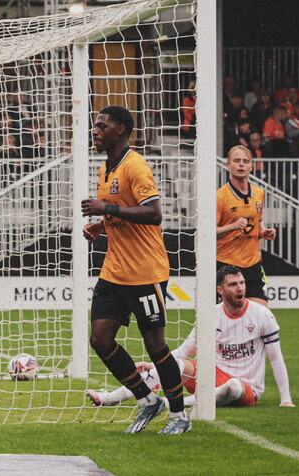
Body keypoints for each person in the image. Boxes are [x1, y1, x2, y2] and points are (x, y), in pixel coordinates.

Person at [80, 105, 190, 434]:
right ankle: (147, 400)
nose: (96, 130)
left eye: (102, 125)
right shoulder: (105, 169)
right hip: (114, 271)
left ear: (121, 130)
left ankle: (179, 415)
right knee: (100, 339)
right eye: (95, 125)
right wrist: (102, 223)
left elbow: (154, 213)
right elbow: (120, 210)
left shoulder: (136, 166)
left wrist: (106, 208)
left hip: (145, 272)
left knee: (155, 345)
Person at [87, 266, 294, 409]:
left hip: (247, 387)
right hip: (214, 374)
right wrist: (153, 365)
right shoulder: (210, 315)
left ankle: (167, 404)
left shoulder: (262, 314)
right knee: (176, 364)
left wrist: (286, 399)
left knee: (232, 387)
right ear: (220, 290)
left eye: (242, 283)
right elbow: (185, 351)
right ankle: (111, 398)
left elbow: (276, 358)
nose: (240, 288)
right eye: (233, 284)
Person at [216, 145, 276, 307]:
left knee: (261, 313)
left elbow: (258, 220)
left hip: (252, 265)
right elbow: (209, 233)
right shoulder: (220, 196)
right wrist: (232, 226)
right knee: (230, 316)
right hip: (226, 264)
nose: (241, 164)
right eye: (236, 161)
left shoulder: (259, 193)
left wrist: (264, 231)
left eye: (245, 161)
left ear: (251, 166)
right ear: (228, 165)